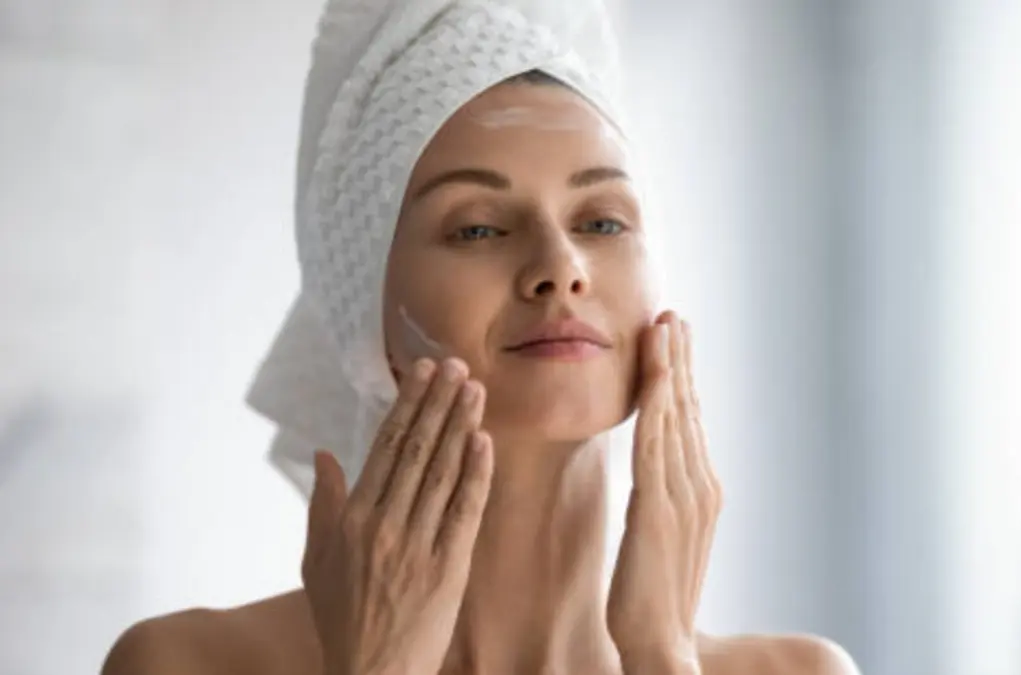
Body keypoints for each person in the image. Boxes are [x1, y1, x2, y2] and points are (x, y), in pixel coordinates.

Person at [100, 1, 859, 674]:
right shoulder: (186, 665)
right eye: (477, 228)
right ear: (367, 313)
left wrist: (661, 657)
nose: (560, 267)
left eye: (602, 221)